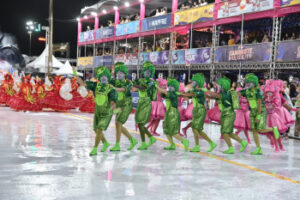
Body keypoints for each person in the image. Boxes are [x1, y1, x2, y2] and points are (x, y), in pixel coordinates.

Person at [75, 67, 118, 156]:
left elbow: (113, 102)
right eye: (101, 76)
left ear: (108, 77)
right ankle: (105, 143)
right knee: (95, 129)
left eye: (105, 76)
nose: (103, 78)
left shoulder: (111, 89)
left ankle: (94, 148)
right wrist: (75, 74)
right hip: (97, 111)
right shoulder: (96, 86)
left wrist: (115, 109)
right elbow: (82, 83)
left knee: (99, 129)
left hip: (106, 112)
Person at [238, 73, 281, 155]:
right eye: (247, 82)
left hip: (260, 111)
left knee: (260, 129)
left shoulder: (259, 91)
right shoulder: (247, 91)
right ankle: (258, 149)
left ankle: (273, 129)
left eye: (249, 82)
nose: (247, 84)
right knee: (254, 130)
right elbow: (238, 93)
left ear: (254, 82)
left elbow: (259, 104)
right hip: (252, 111)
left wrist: (258, 115)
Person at [205, 77, 248, 154]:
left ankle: (231, 148)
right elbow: (214, 97)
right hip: (225, 114)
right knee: (229, 132)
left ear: (223, 86)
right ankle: (243, 142)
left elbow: (215, 95)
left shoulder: (227, 94)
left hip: (228, 114)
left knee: (224, 132)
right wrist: (207, 96)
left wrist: (205, 90)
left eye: (219, 85)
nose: (218, 86)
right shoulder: (222, 94)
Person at [180, 73, 217, 152]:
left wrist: (180, 93)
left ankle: (198, 146)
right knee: (197, 130)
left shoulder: (199, 91)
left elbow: (189, 94)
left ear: (197, 82)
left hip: (200, 110)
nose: (192, 83)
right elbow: (188, 95)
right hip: (196, 110)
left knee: (195, 129)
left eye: (194, 82)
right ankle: (210, 143)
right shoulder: (196, 90)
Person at [109, 62, 138, 151]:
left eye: (121, 73)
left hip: (126, 104)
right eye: (118, 73)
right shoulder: (115, 81)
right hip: (119, 104)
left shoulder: (128, 82)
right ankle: (131, 140)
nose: (119, 75)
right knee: (118, 124)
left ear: (125, 74)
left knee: (118, 123)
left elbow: (124, 89)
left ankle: (119, 144)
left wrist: (114, 88)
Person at [156, 78, 189, 151]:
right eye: (169, 85)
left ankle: (184, 141)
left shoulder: (173, 94)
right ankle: (172, 144)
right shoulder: (169, 93)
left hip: (173, 113)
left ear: (175, 87)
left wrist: (157, 86)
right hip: (168, 113)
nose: (170, 87)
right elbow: (162, 92)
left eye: (172, 86)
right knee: (166, 130)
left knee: (173, 132)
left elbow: (164, 91)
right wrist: (156, 87)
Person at [132, 61, 158, 150]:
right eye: (146, 71)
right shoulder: (141, 80)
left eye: (149, 72)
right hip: (140, 102)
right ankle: (150, 138)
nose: (147, 73)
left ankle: (146, 141)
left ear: (151, 73)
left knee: (141, 123)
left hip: (146, 102)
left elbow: (143, 88)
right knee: (140, 124)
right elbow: (135, 86)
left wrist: (133, 84)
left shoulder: (152, 82)